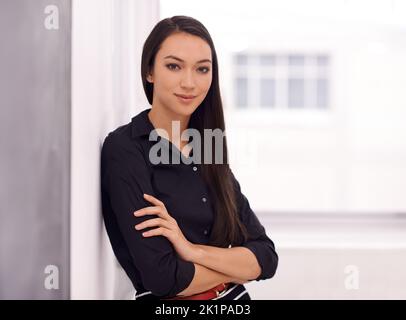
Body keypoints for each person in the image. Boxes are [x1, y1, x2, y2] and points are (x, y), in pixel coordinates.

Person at [100, 15, 278, 300]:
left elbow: (266, 257)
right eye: (173, 66)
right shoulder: (126, 149)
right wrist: (238, 267)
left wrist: (191, 250)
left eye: (202, 69)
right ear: (149, 71)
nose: (189, 82)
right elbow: (164, 278)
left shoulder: (207, 145)